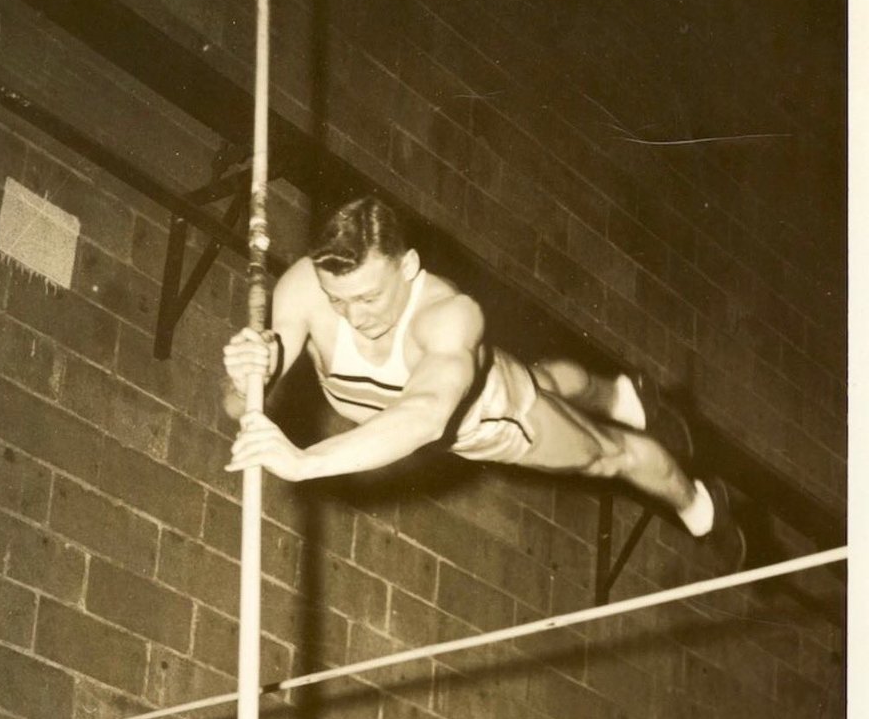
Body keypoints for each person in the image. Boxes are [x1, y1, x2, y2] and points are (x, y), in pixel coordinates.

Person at [223, 196, 742, 562]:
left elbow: (424, 418)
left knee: (611, 456)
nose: (353, 316)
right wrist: (249, 376)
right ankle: (627, 395)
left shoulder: (449, 315)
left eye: (368, 298)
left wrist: (305, 462)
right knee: (546, 380)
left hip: (499, 419)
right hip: (485, 383)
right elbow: (236, 408)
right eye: (339, 300)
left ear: (408, 267)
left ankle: (702, 507)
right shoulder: (302, 290)